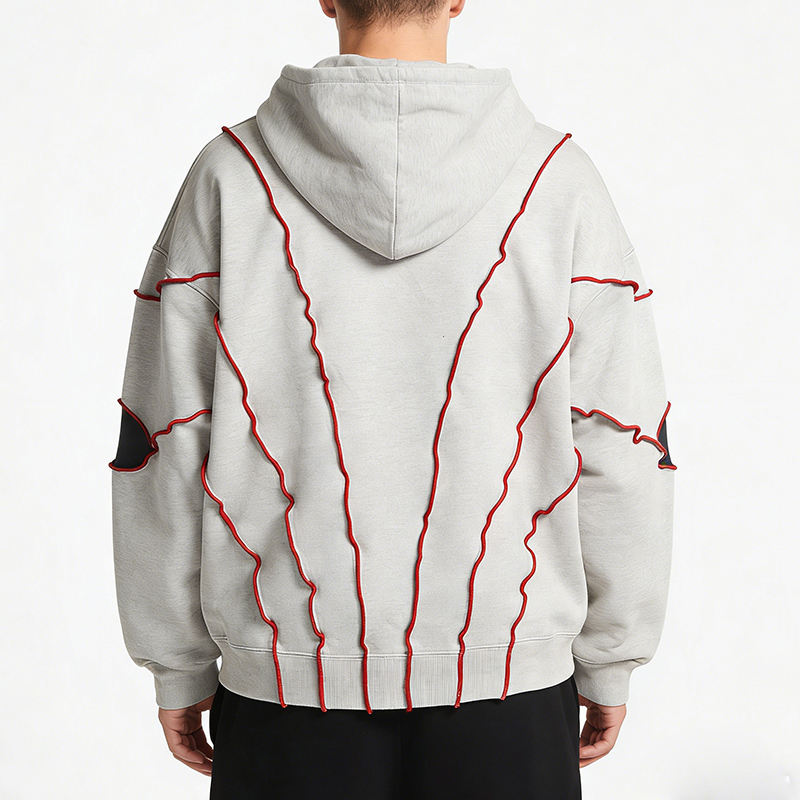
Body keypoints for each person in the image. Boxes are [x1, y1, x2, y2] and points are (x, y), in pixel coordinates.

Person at [109, 0, 676, 797]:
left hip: (286, 689)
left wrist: (176, 663)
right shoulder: (559, 182)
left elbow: (165, 439)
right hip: (509, 691)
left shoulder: (228, 179)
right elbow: (621, 439)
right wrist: (613, 654)